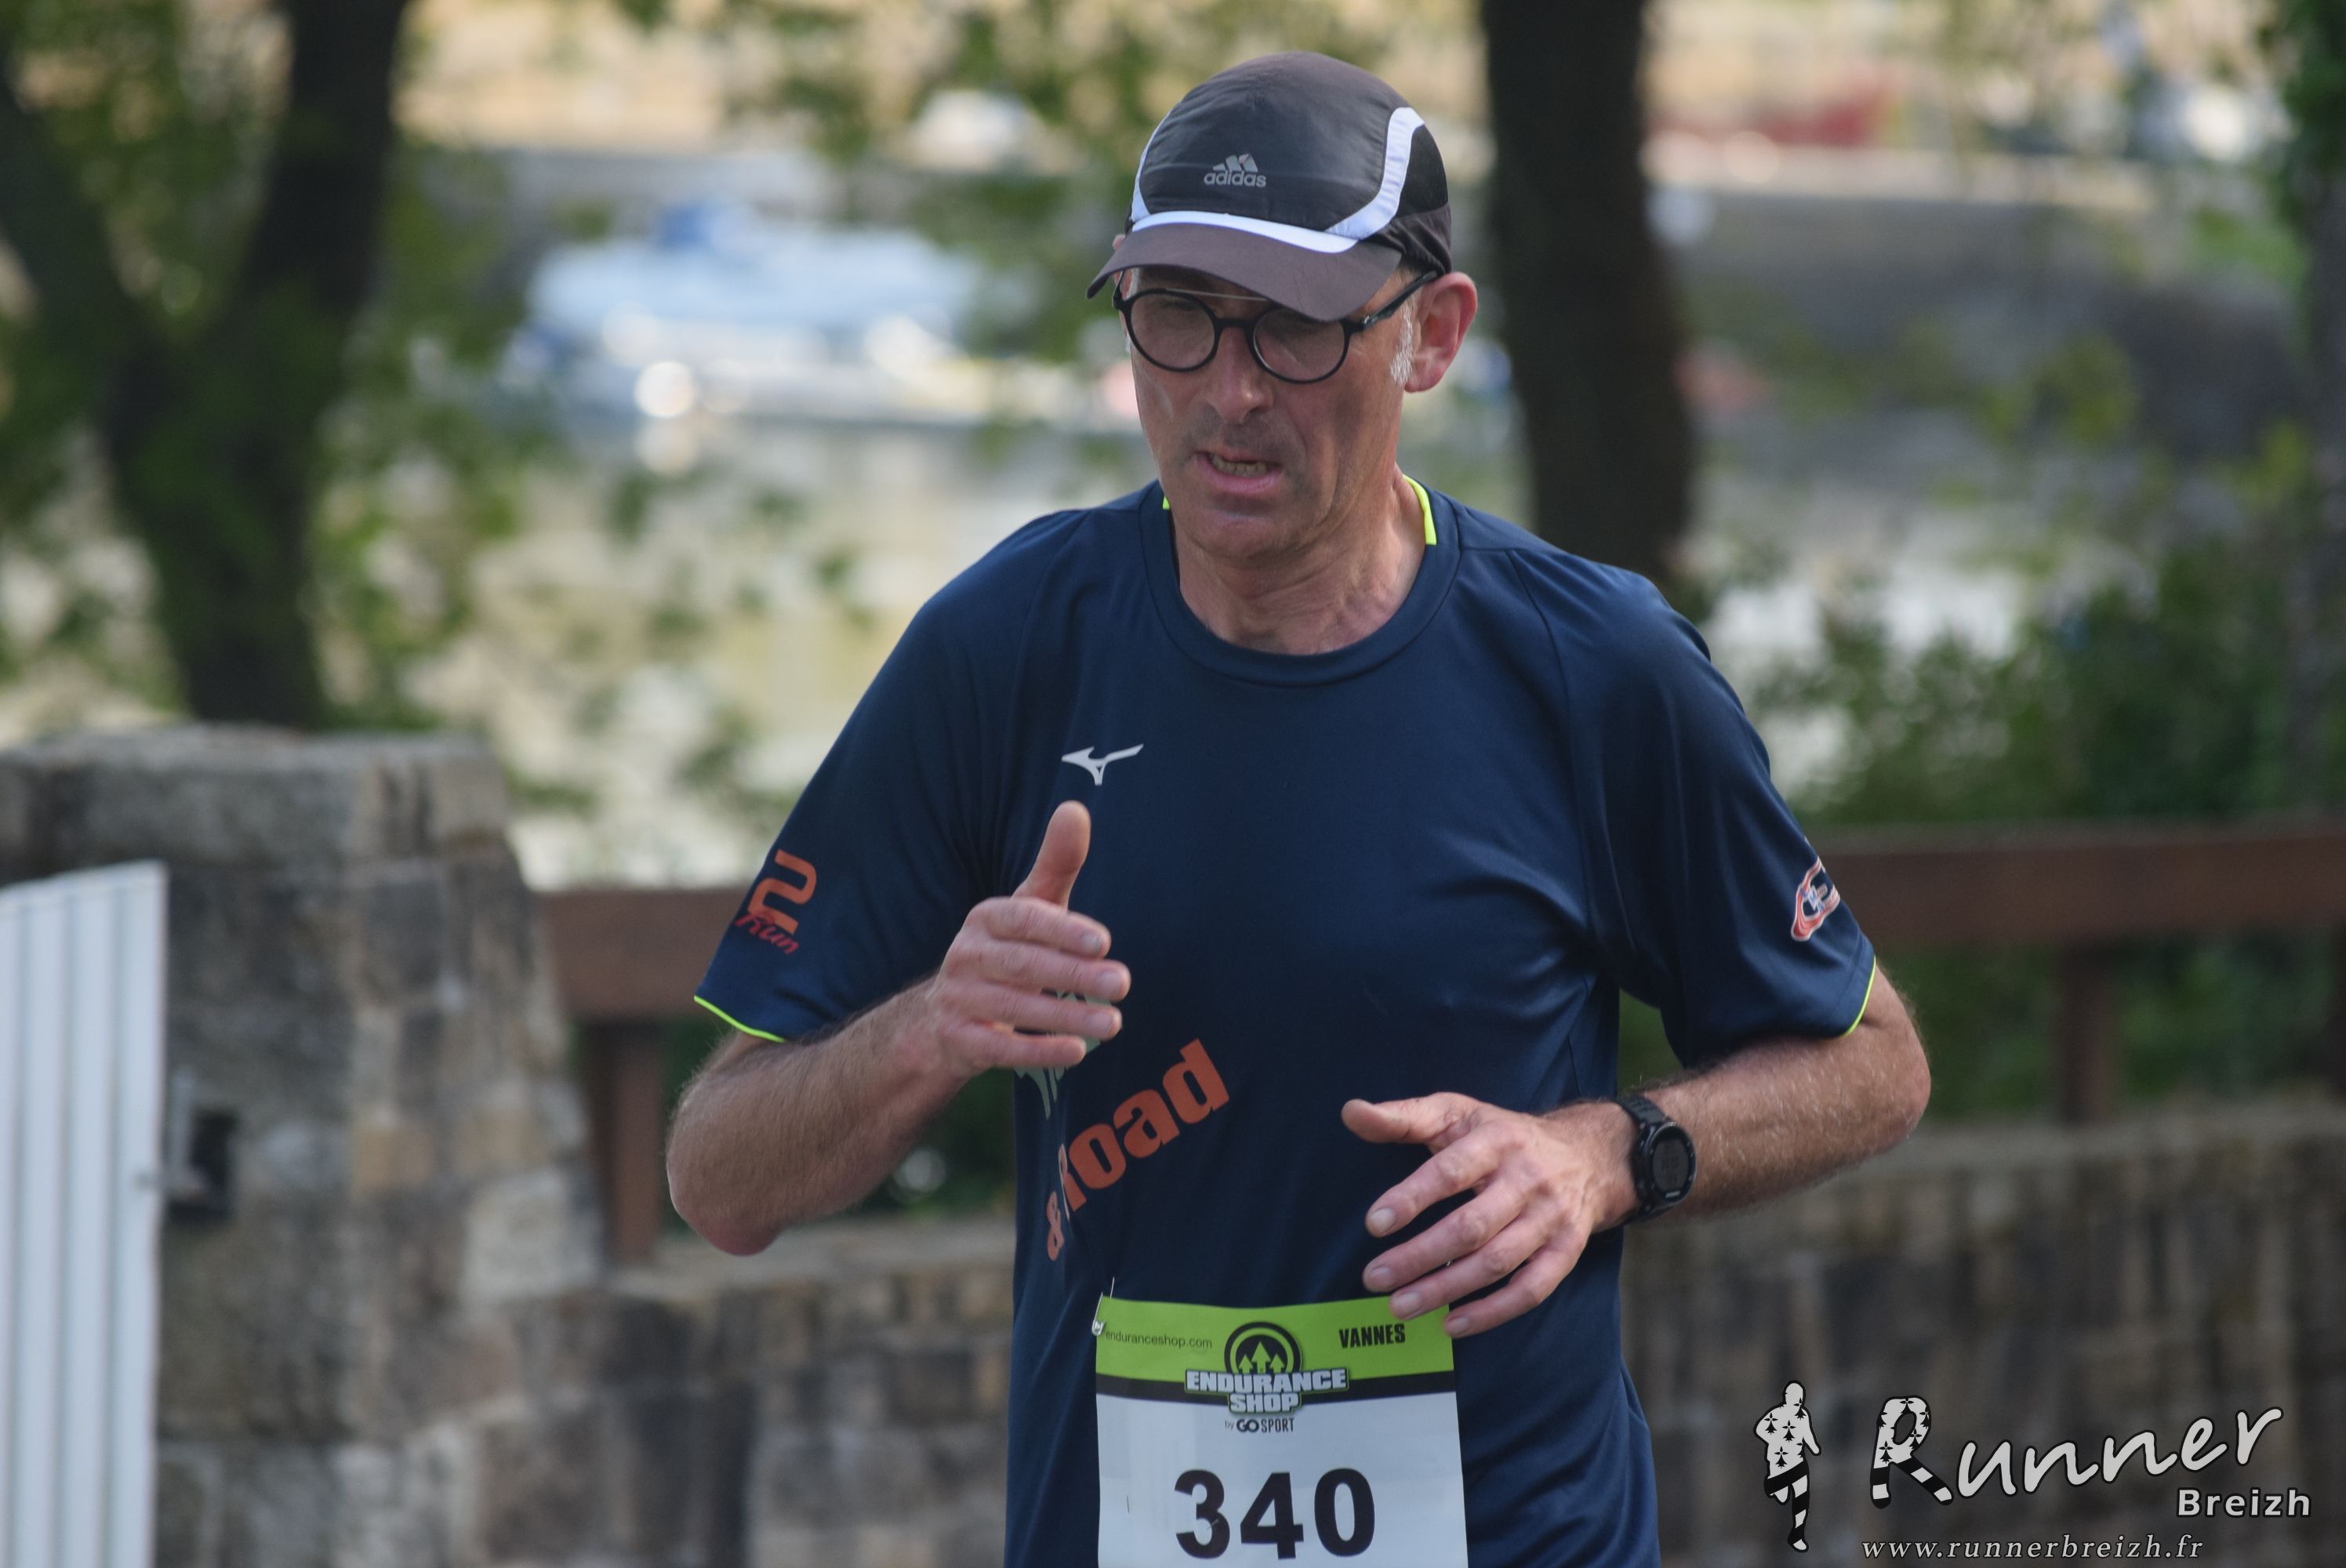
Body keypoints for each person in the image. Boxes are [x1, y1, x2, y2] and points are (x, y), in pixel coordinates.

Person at [669, 50, 1930, 1568]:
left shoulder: (1590, 667)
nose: (1229, 391)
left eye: (1294, 326)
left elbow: (1874, 1061)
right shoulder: (1006, 647)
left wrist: (1610, 1152)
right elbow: (717, 1178)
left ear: (1430, 335)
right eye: (1179, 315)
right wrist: (932, 1024)